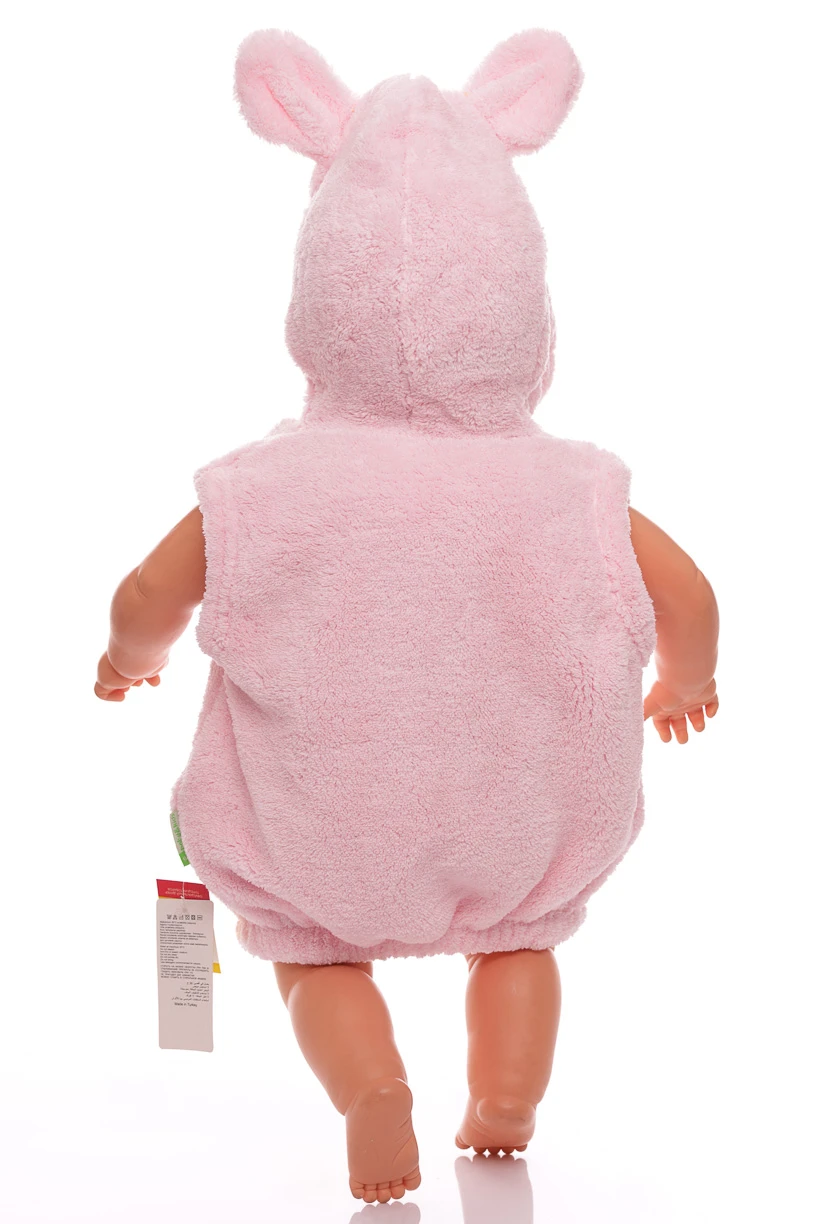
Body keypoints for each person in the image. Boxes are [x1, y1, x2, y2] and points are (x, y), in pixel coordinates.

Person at [94, 29, 719, 1206]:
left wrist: (130, 658)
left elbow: (145, 596)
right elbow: (690, 597)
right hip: (518, 825)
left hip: (319, 830)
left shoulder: (261, 489)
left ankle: (372, 1087)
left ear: (321, 291)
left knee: (311, 959)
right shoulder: (576, 487)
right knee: (522, 940)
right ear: (518, 296)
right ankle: (507, 1094)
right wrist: (687, 679)